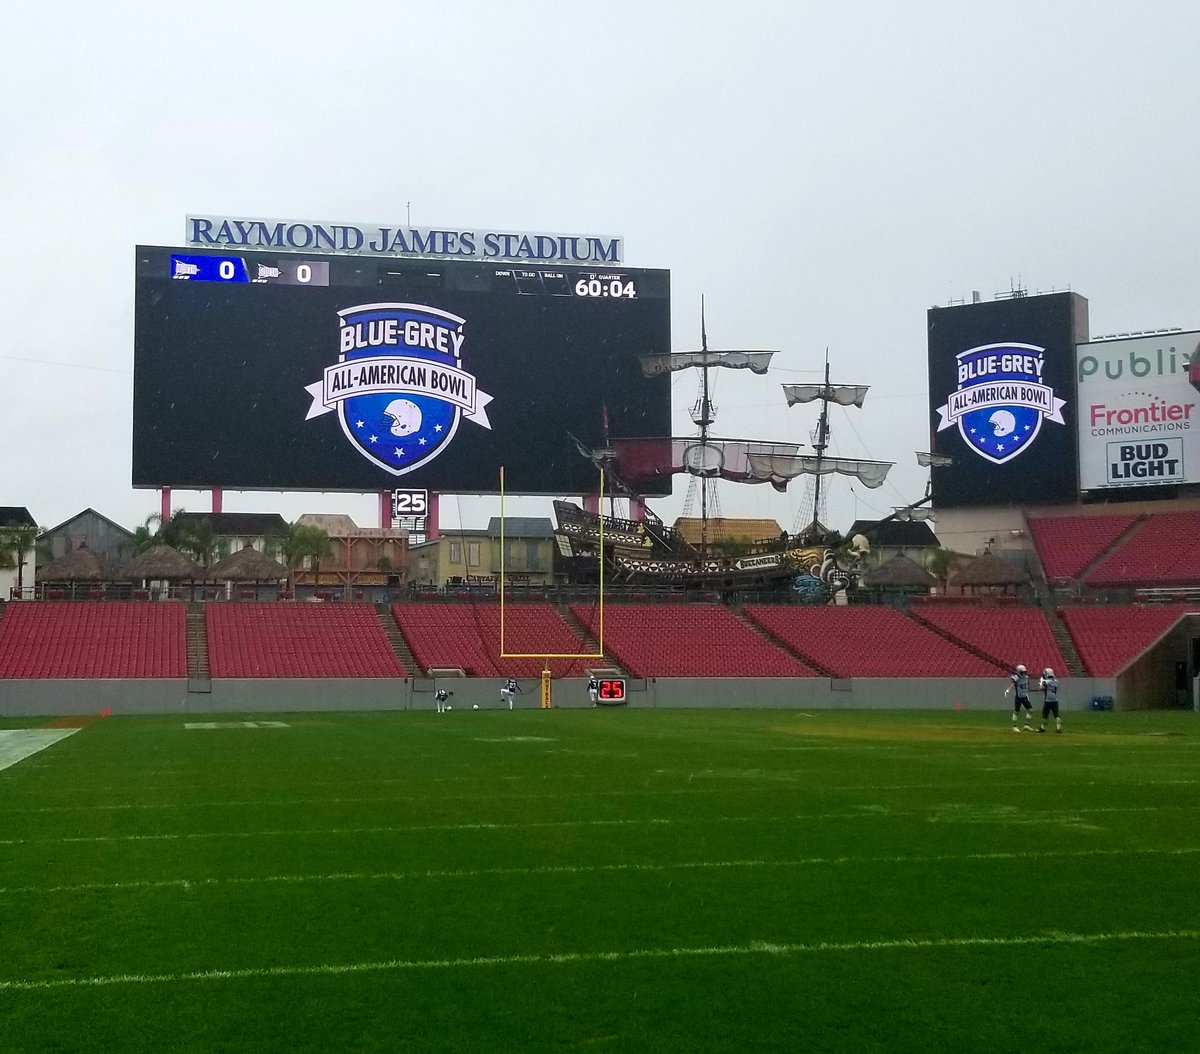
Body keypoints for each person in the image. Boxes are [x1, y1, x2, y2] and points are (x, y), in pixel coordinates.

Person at [1005, 663, 1034, 732]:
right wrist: (1008, 690)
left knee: (1030, 710)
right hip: (1019, 697)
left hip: (1024, 696)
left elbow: (1027, 687)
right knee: (1016, 712)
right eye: (1022, 672)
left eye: (1024, 672)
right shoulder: (1016, 677)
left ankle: (1026, 725)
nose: (1023, 673)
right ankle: (1014, 726)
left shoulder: (1026, 678)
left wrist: (1027, 694)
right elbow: (1012, 684)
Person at [1038, 668, 1062, 733]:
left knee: (1045, 716)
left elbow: (1041, 688)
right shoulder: (1056, 681)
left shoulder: (1046, 681)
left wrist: (1041, 683)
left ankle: (1042, 728)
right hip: (1055, 700)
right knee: (1056, 715)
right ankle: (1058, 728)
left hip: (1048, 701)